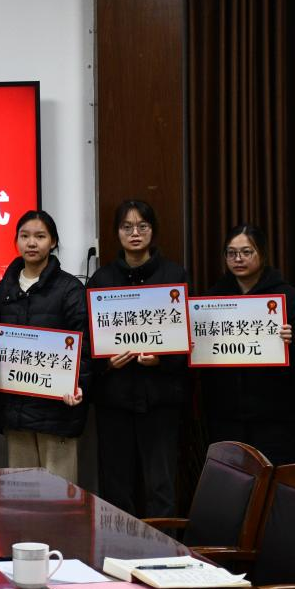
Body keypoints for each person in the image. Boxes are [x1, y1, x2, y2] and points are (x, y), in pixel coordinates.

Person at [87, 200, 189, 517]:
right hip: (114, 399)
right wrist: (106, 363)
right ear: (117, 232)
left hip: (160, 399)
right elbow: (89, 341)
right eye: (127, 227)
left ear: (152, 231)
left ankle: (165, 548)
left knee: (161, 486)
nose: (135, 233)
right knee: (116, 486)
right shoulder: (101, 280)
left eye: (142, 226)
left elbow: (187, 340)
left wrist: (162, 360)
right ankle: (118, 548)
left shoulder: (174, 275)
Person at [0, 210, 89, 479]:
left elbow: (84, 346)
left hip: (57, 410)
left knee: (60, 493)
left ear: (53, 241)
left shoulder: (70, 289)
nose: (31, 243)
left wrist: (78, 385)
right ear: (17, 241)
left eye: (40, 236)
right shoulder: (3, 289)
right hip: (16, 410)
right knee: (22, 493)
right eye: (25, 236)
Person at [199, 224, 295, 465]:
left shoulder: (289, 298)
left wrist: (293, 341)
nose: (238, 259)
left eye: (246, 252)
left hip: (275, 414)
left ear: (262, 254)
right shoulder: (210, 300)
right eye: (231, 253)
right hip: (225, 413)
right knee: (230, 478)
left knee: (274, 476)